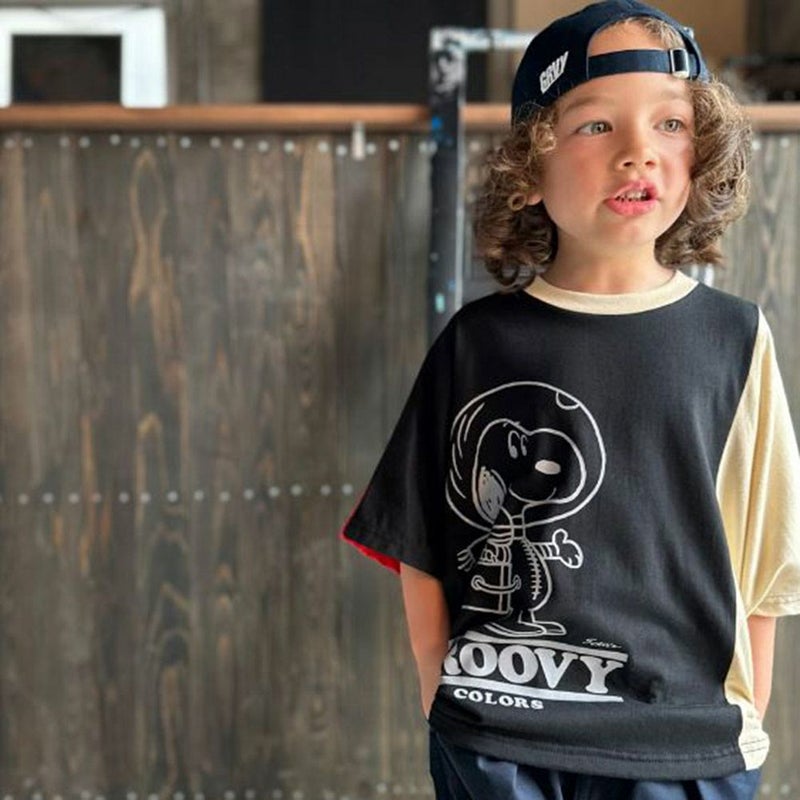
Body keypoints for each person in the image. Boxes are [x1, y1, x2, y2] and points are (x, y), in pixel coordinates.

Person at [339, 1, 800, 798]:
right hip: (502, 737)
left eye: (670, 124)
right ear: (529, 165)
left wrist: (744, 714)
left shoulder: (735, 338)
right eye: (595, 125)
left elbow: (767, 559)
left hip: (685, 748)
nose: (637, 152)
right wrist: (441, 688)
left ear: (703, 154)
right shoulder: (479, 342)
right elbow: (418, 538)